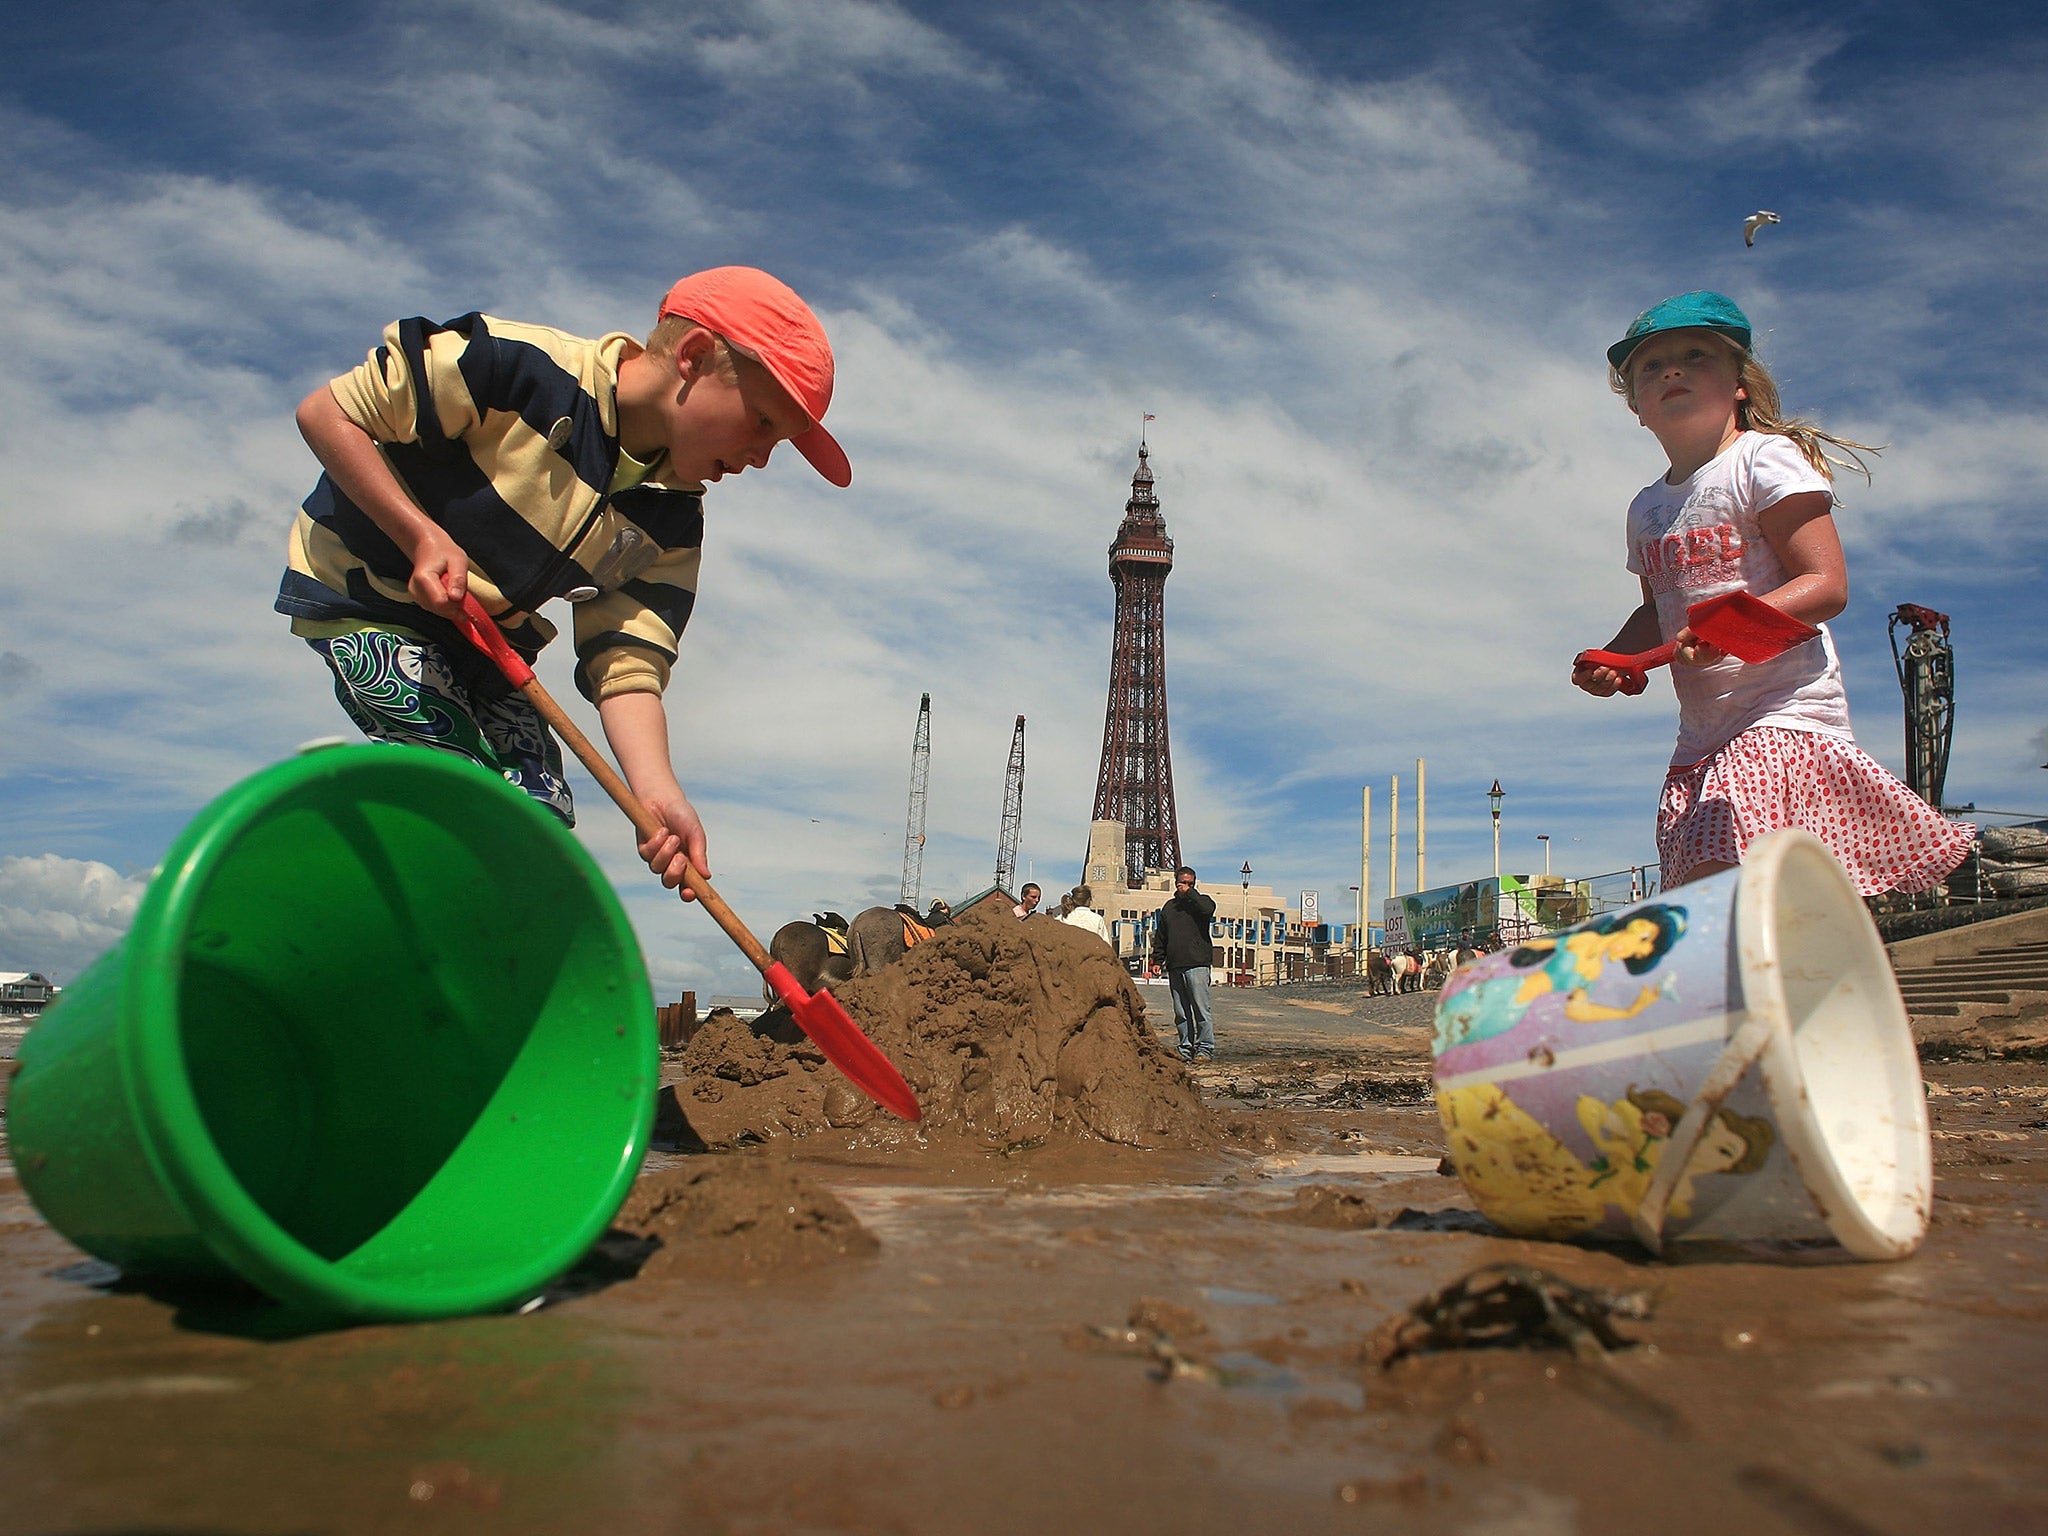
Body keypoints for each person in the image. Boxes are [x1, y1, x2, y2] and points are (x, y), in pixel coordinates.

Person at [276, 267, 849, 896]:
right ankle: (329, 871)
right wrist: (418, 534)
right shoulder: (519, 368)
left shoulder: (672, 515)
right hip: (372, 598)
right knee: (458, 788)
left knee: (538, 818)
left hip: (487, 643)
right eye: (764, 423)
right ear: (693, 357)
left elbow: (626, 661)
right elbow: (329, 414)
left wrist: (655, 791)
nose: (762, 458)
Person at [1572, 291, 1974, 894]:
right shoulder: (1646, 509)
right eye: (1649, 367)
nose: (1671, 370)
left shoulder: (1763, 459)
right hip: (1703, 734)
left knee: (1725, 888)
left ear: (1740, 383)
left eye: (1695, 355)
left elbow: (1825, 586)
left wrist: (1724, 630)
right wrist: (1616, 658)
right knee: (1740, 897)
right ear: (1637, 407)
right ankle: (1827, 984)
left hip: (1782, 714)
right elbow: (1657, 610)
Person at [1148, 866, 1217, 1062]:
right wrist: (1157, 960)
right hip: (1175, 965)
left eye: (1191, 883)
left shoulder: (1201, 903)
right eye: (1183, 883)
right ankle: (1185, 1048)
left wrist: (1192, 894)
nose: (1187, 886)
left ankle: (1205, 1048)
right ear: (1176, 882)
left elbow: (1209, 910)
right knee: (1181, 1011)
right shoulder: (1169, 907)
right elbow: (1161, 936)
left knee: (1201, 1009)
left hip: (1197, 964)